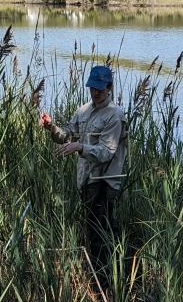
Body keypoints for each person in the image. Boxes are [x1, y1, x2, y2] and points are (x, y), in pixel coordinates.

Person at [39, 65, 128, 275]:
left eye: (100, 89)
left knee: (99, 232)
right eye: (92, 88)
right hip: (88, 179)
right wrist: (51, 127)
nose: (95, 93)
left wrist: (80, 147)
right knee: (100, 229)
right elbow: (67, 135)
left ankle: (105, 281)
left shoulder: (114, 115)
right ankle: (118, 269)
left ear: (109, 87)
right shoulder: (84, 110)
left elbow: (107, 152)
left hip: (105, 180)